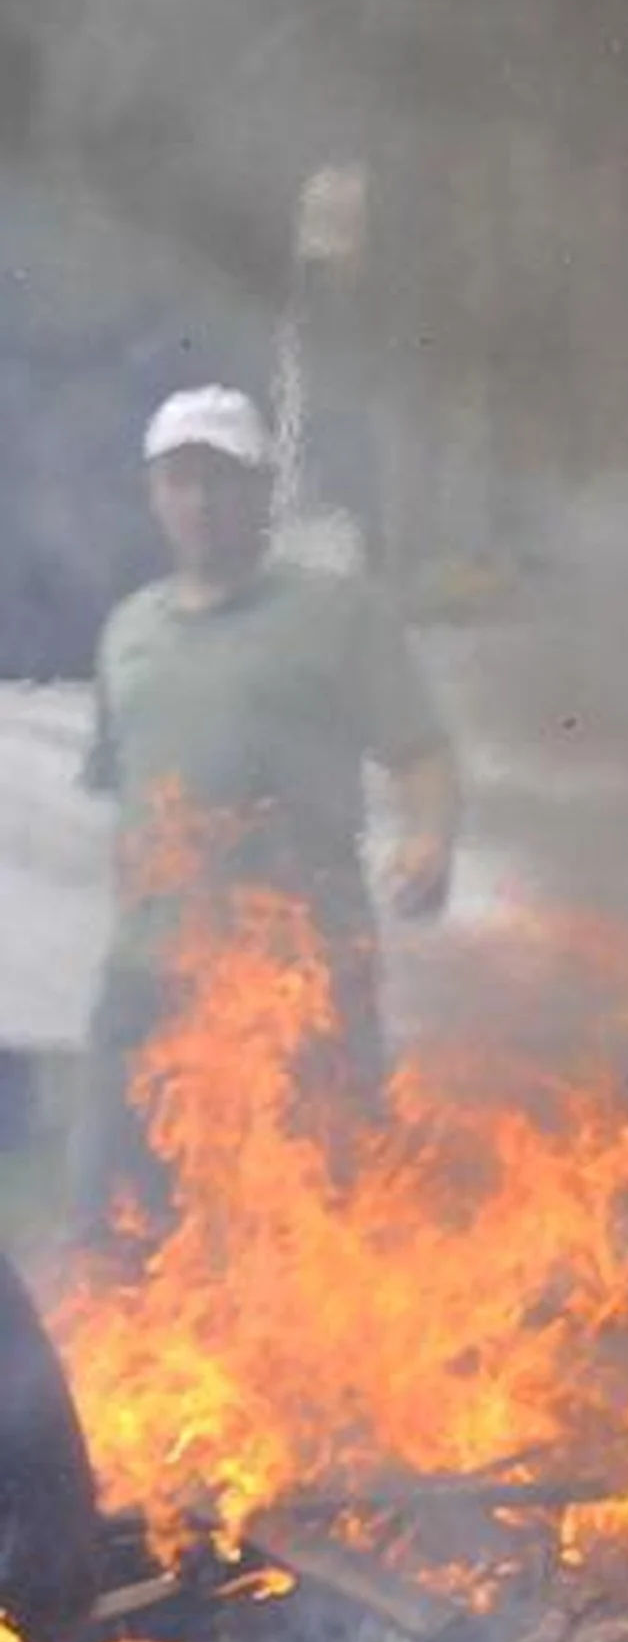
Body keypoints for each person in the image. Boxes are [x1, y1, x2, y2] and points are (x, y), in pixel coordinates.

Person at [73, 387, 458, 1249]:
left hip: (303, 971)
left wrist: (430, 841)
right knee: (118, 1220)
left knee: (329, 1207)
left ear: (263, 491)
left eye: (223, 480)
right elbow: (127, 791)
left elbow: (421, 752)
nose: (201, 502)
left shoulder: (338, 615)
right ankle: (123, 1377)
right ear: (154, 492)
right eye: (181, 480)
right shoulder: (127, 631)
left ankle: (348, 1376)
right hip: (149, 974)